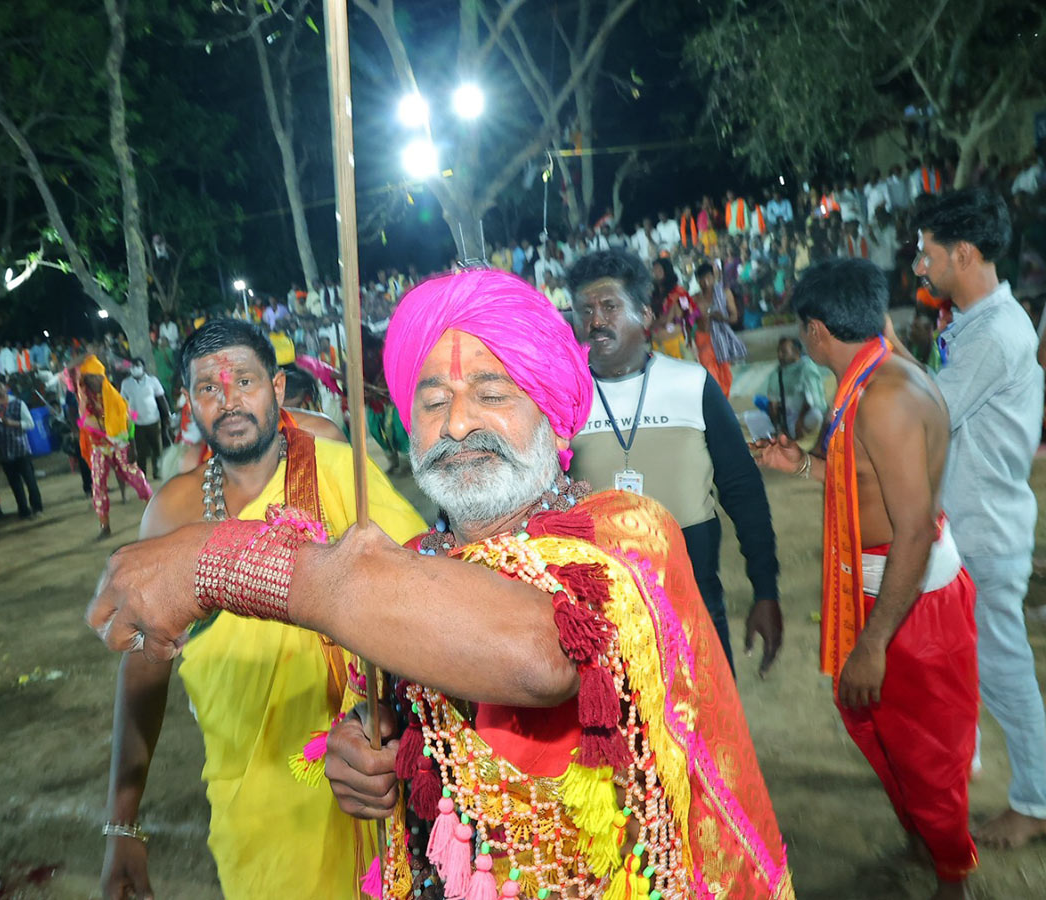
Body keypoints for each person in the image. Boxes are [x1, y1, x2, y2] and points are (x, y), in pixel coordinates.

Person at [87, 269, 794, 899]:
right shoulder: (420, 563)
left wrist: (227, 564)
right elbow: (398, 716)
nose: (458, 422)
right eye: (432, 404)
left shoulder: (624, 533)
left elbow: (543, 654)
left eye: (492, 392)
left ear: (550, 409)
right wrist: (367, 757)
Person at [100, 320, 423, 899]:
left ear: (277, 389)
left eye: (244, 381)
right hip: (248, 796)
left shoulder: (333, 467)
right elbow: (145, 668)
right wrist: (121, 821)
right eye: (208, 388)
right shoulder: (172, 511)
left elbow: (420, 593)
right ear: (189, 404)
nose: (228, 401)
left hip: (357, 771)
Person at [757, 258, 978, 899]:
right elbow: (866, 486)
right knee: (878, 729)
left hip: (908, 600)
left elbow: (911, 530)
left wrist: (875, 641)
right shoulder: (870, 377)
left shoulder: (886, 397)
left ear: (817, 330)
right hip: (883, 589)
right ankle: (927, 843)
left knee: (926, 748)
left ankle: (952, 877)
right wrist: (804, 465)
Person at [891, 188, 1046, 850]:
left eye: (927, 254)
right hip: (973, 525)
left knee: (1005, 670)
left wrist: (890, 349)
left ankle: (1036, 800)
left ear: (962, 253)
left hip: (985, 531)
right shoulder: (977, 322)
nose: (920, 268)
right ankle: (965, 764)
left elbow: (930, 412)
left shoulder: (996, 330)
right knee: (966, 662)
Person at [565, 249, 782, 675]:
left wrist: (765, 590)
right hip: (601, 617)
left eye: (610, 306)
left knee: (709, 735)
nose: (595, 321)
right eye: (584, 310)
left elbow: (743, 492)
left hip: (695, 605)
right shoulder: (564, 400)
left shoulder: (692, 384)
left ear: (645, 314)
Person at [76, 355, 153, 538]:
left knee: (135, 477)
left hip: (119, 444)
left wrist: (132, 445)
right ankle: (104, 525)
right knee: (98, 485)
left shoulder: (113, 396)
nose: (96, 380)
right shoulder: (84, 398)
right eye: (92, 377)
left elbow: (129, 423)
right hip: (98, 447)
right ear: (86, 379)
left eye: (98, 376)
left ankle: (154, 510)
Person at [0, 378, 44, 519]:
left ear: (5, 388)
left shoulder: (18, 403)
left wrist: (13, 423)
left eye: (0, 386)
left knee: (30, 480)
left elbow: (30, 424)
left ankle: (37, 508)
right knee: (15, 484)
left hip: (20, 448)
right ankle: (23, 510)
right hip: (4, 452)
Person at [691, 261, 747, 397]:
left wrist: (722, 318)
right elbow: (689, 322)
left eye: (708, 277)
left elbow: (734, 317)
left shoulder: (724, 293)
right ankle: (717, 402)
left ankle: (723, 404)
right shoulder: (695, 299)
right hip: (703, 339)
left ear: (713, 277)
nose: (705, 282)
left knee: (725, 376)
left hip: (721, 339)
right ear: (698, 281)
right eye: (702, 279)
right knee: (710, 376)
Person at [763, 337, 828, 444]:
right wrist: (778, 428)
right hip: (787, 418)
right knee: (750, 419)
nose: (779, 355)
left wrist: (800, 422)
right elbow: (772, 405)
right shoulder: (777, 373)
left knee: (816, 415)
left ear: (796, 352)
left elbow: (811, 401)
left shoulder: (807, 368)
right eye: (778, 351)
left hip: (806, 415)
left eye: (784, 352)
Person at [120, 358, 171, 481]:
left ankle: (157, 472)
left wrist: (167, 415)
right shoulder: (126, 384)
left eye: (137, 366)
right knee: (140, 451)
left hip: (153, 419)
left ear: (143, 367)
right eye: (132, 366)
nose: (135, 368)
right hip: (136, 422)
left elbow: (161, 399)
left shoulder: (152, 381)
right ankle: (141, 474)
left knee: (157, 449)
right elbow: (122, 403)